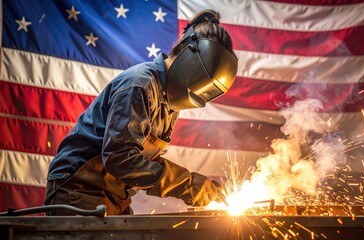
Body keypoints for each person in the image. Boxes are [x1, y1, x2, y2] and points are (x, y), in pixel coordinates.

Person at [44, 9, 238, 215]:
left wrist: (198, 184)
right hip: (80, 188)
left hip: (114, 193)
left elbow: (142, 160)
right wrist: (189, 185)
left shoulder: (168, 99)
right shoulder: (140, 86)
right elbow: (120, 158)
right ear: (186, 53)